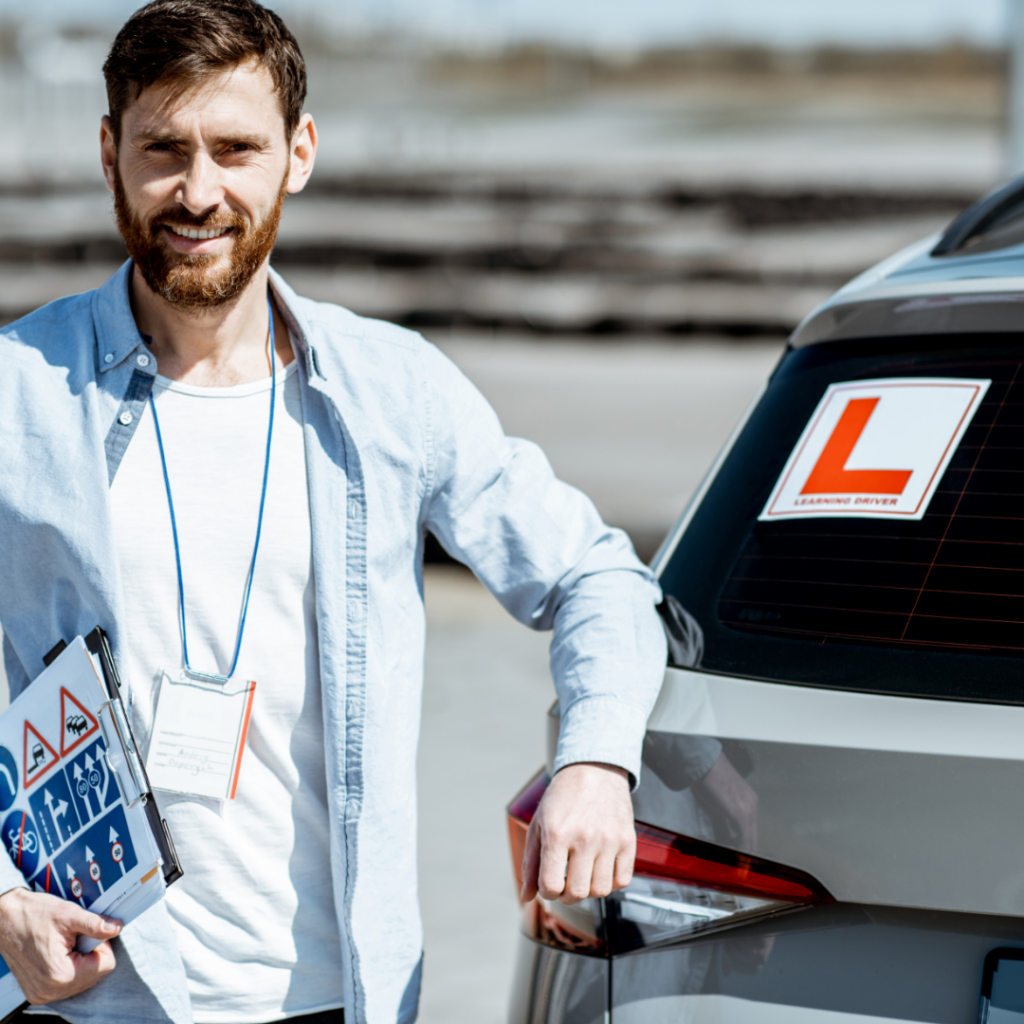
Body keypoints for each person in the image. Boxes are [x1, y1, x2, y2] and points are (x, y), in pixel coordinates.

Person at [0, 1, 667, 1022]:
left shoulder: (395, 391)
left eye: (235, 148)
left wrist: (595, 757)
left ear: (298, 154)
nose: (198, 190)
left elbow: (595, 575)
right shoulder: (17, 393)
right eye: (163, 149)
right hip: (90, 995)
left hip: (337, 992)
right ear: (108, 153)